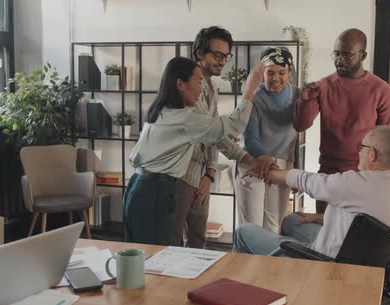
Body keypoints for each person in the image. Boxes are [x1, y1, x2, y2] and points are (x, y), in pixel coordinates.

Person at [123, 56, 265, 245]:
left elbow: (216, 136)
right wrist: (249, 88)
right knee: (156, 258)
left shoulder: (162, 109)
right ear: (180, 84)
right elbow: (234, 125)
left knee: (143, 256)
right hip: (154, 192)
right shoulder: (186, 118)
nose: (201, 89)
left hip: (139, 187)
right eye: (198, 82)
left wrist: (245, 159)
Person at [233, 126, 390, 258]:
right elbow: (364, 219)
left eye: (362, 147)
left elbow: (307, 180)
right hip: (359, 252)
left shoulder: (356, 184)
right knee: (292, 221)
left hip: (325, 259)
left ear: (371, 155)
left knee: (243, 231)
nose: (358, 152)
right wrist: (320, 217)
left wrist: (269, 172)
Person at [173, 26, 263, 248]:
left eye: (226, 56)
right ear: (199, 54)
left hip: (200, 177)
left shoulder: (211, 88)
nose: (223, 61)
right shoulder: (188, 88)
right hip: (180, 178)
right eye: (217, 55)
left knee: (197, 243)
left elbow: (214, 135)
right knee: (171, 245)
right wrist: (250, 88)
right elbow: (224, 129)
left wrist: (209, 175)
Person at [294, 28, 390, 213]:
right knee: (326, 236)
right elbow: (300, 125)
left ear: (363, 55)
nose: (339, 60)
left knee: (357, 238)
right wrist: (304, 100)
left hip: (364, 178)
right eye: (337, 53)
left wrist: (383, 184)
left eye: (347, 55)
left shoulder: (381, 90)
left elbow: (388, 143)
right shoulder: (322, 86)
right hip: (329, 176)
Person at [233, 46, 301, 234]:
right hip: (253, 162)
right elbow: (250, 138)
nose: (275, 78)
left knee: (273, 226)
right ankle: (247, 263)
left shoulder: (298, 95)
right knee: (251, 228)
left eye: (281, 73)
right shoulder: (253, 96)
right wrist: (265, 158)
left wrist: (297, 171)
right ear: (262, 72)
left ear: (290, 73)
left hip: (281, 165)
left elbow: (297, 135)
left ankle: (269, 264)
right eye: (270, 73)